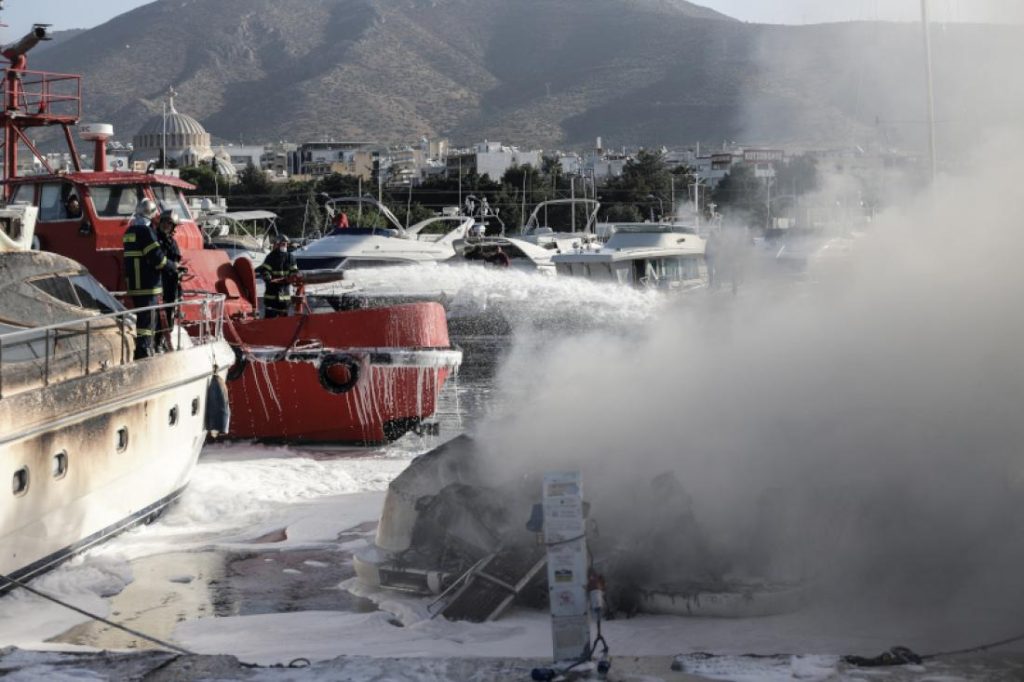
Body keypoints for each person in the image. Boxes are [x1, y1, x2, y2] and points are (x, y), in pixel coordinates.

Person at [123, 198, 175, 359]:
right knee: (147, 322)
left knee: (141, 320)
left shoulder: (129, 231)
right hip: (148, 285)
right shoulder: (146, 232)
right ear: (152, 214)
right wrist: (173, 267)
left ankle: (142, 349)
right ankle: (144, 352)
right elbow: (157, 258)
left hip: (135, 285)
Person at [155, 211, 184, 350]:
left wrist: (178, 270)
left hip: (170, 284)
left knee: (169, 315)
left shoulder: (172, 243)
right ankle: (156, 342)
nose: (167, 226)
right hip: (157, 282)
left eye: (170, 224)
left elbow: (177, 260)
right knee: (155, 315)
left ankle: (163, 340)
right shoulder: (153, 239)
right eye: (165, 223)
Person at [257, 235, 299, 318]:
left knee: (283, 322)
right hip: (272, 295)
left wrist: (292, 277)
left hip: (285, 297)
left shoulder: (290, 257)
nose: (284, 246)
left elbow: (294, 271)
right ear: (277, 244)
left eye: (286, 244)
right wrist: (267, 276)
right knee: (270, 320)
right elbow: (265, 270)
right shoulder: (271, 257)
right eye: (283, 244)